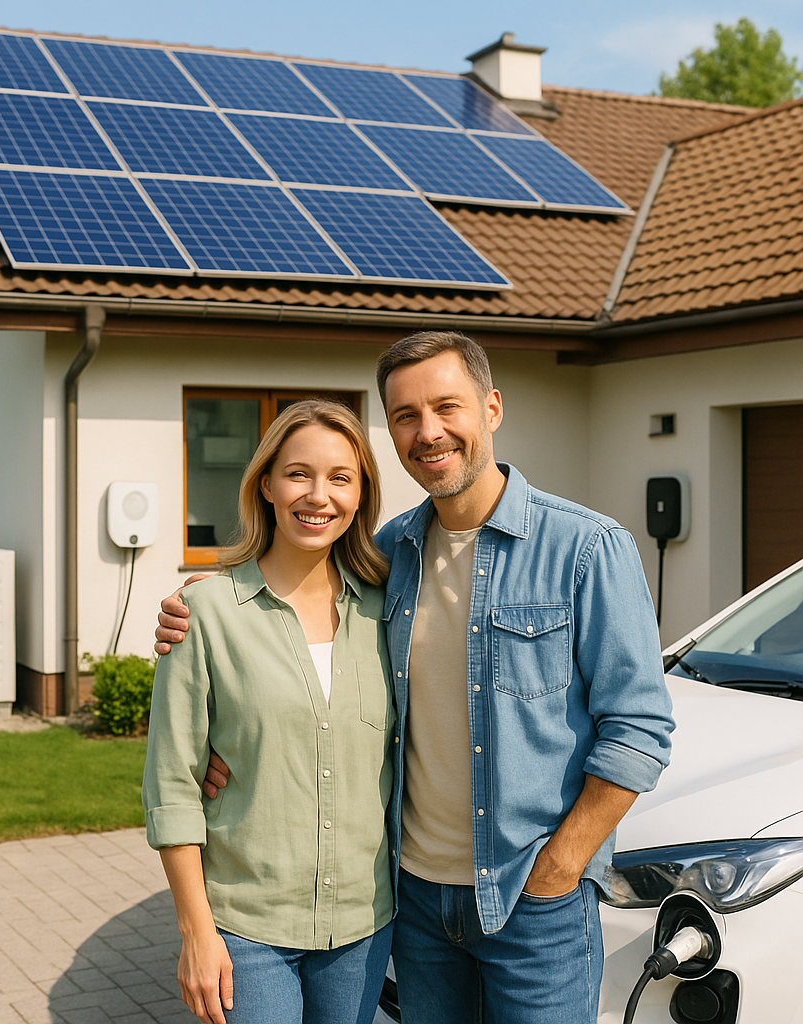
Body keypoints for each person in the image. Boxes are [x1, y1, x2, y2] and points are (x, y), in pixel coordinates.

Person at [154, 332, 675, 1024]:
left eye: (447, 407)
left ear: (491, 408)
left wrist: (562, 866)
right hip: (418, 905)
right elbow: (292, 641)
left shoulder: (586, 549)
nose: (428, 432)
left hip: (533, 900)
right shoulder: (386, 556)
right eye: (405, 416)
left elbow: (639, 727)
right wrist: (214, 666)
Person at [142, 399, 396, 1024]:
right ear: (267, 485)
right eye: (298, 473)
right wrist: (196, 933)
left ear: (362, 495)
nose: (318, 495)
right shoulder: (206, 615)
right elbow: (172, 783)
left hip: (364, 923)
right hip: (246, 928)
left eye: (341, 477)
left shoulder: (389, 610)